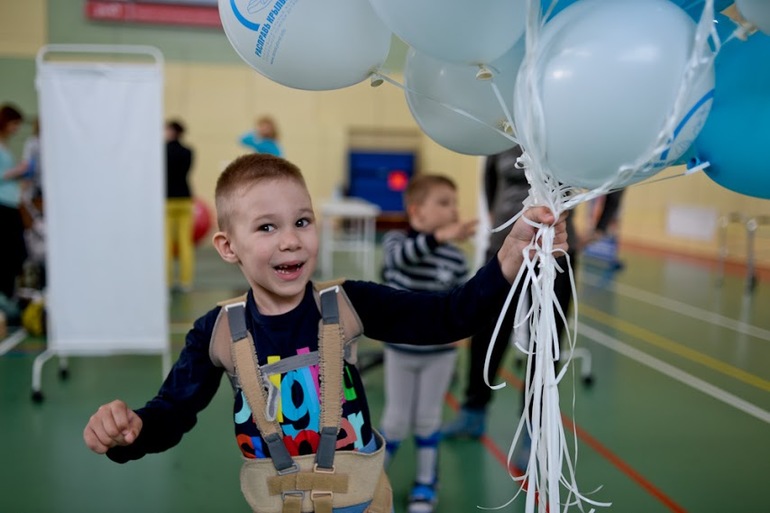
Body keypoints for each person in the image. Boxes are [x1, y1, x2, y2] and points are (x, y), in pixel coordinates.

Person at [83, 154, 568, 513]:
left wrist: (509, 258)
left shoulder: (348, 304)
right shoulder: (217, 333)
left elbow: (449, 316)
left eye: (302, 221)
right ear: (228, 247)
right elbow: (172, 412)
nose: (291, 239)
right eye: (267, 227)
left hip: (363, 501)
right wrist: (133, 431)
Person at [442, 145, 577, 450]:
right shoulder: (503, 133)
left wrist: (604, 223)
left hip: (554, 250)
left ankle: (534, 429)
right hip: (503, 247)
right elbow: (490, 178)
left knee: (546, 339)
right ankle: (473, 411)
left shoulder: (567, 133)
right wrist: (497, 216)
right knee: (486, 330)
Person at [378, 174, 477, 513]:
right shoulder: (395, 242)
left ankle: (425, 482)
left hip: (439, 355)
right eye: (444, 203)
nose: (454, 210)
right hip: (400, 351)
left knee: (428, 418)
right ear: (416, 210)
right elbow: (400, 261)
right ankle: (371, 483)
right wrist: (438, 237)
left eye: (454, 203)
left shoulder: (456, 258)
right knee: (394, 420)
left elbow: (463, 301)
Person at [0, 103, 29, 316]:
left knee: (16, 253)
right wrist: (17, 171)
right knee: (9, 253)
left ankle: (8, 296)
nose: (17, 129)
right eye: (15, 124)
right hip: (2, 205)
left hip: (11, 202)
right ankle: (4, 299)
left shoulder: (5, 145)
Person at [165, 119, 196, 292]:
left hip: (167, 200)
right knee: (185, 242)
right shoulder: (188, 151)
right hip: (185, 198)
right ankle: (186, 281)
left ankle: (167, 281)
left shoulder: (162, 151)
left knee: (167, 243)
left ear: (171, 131)